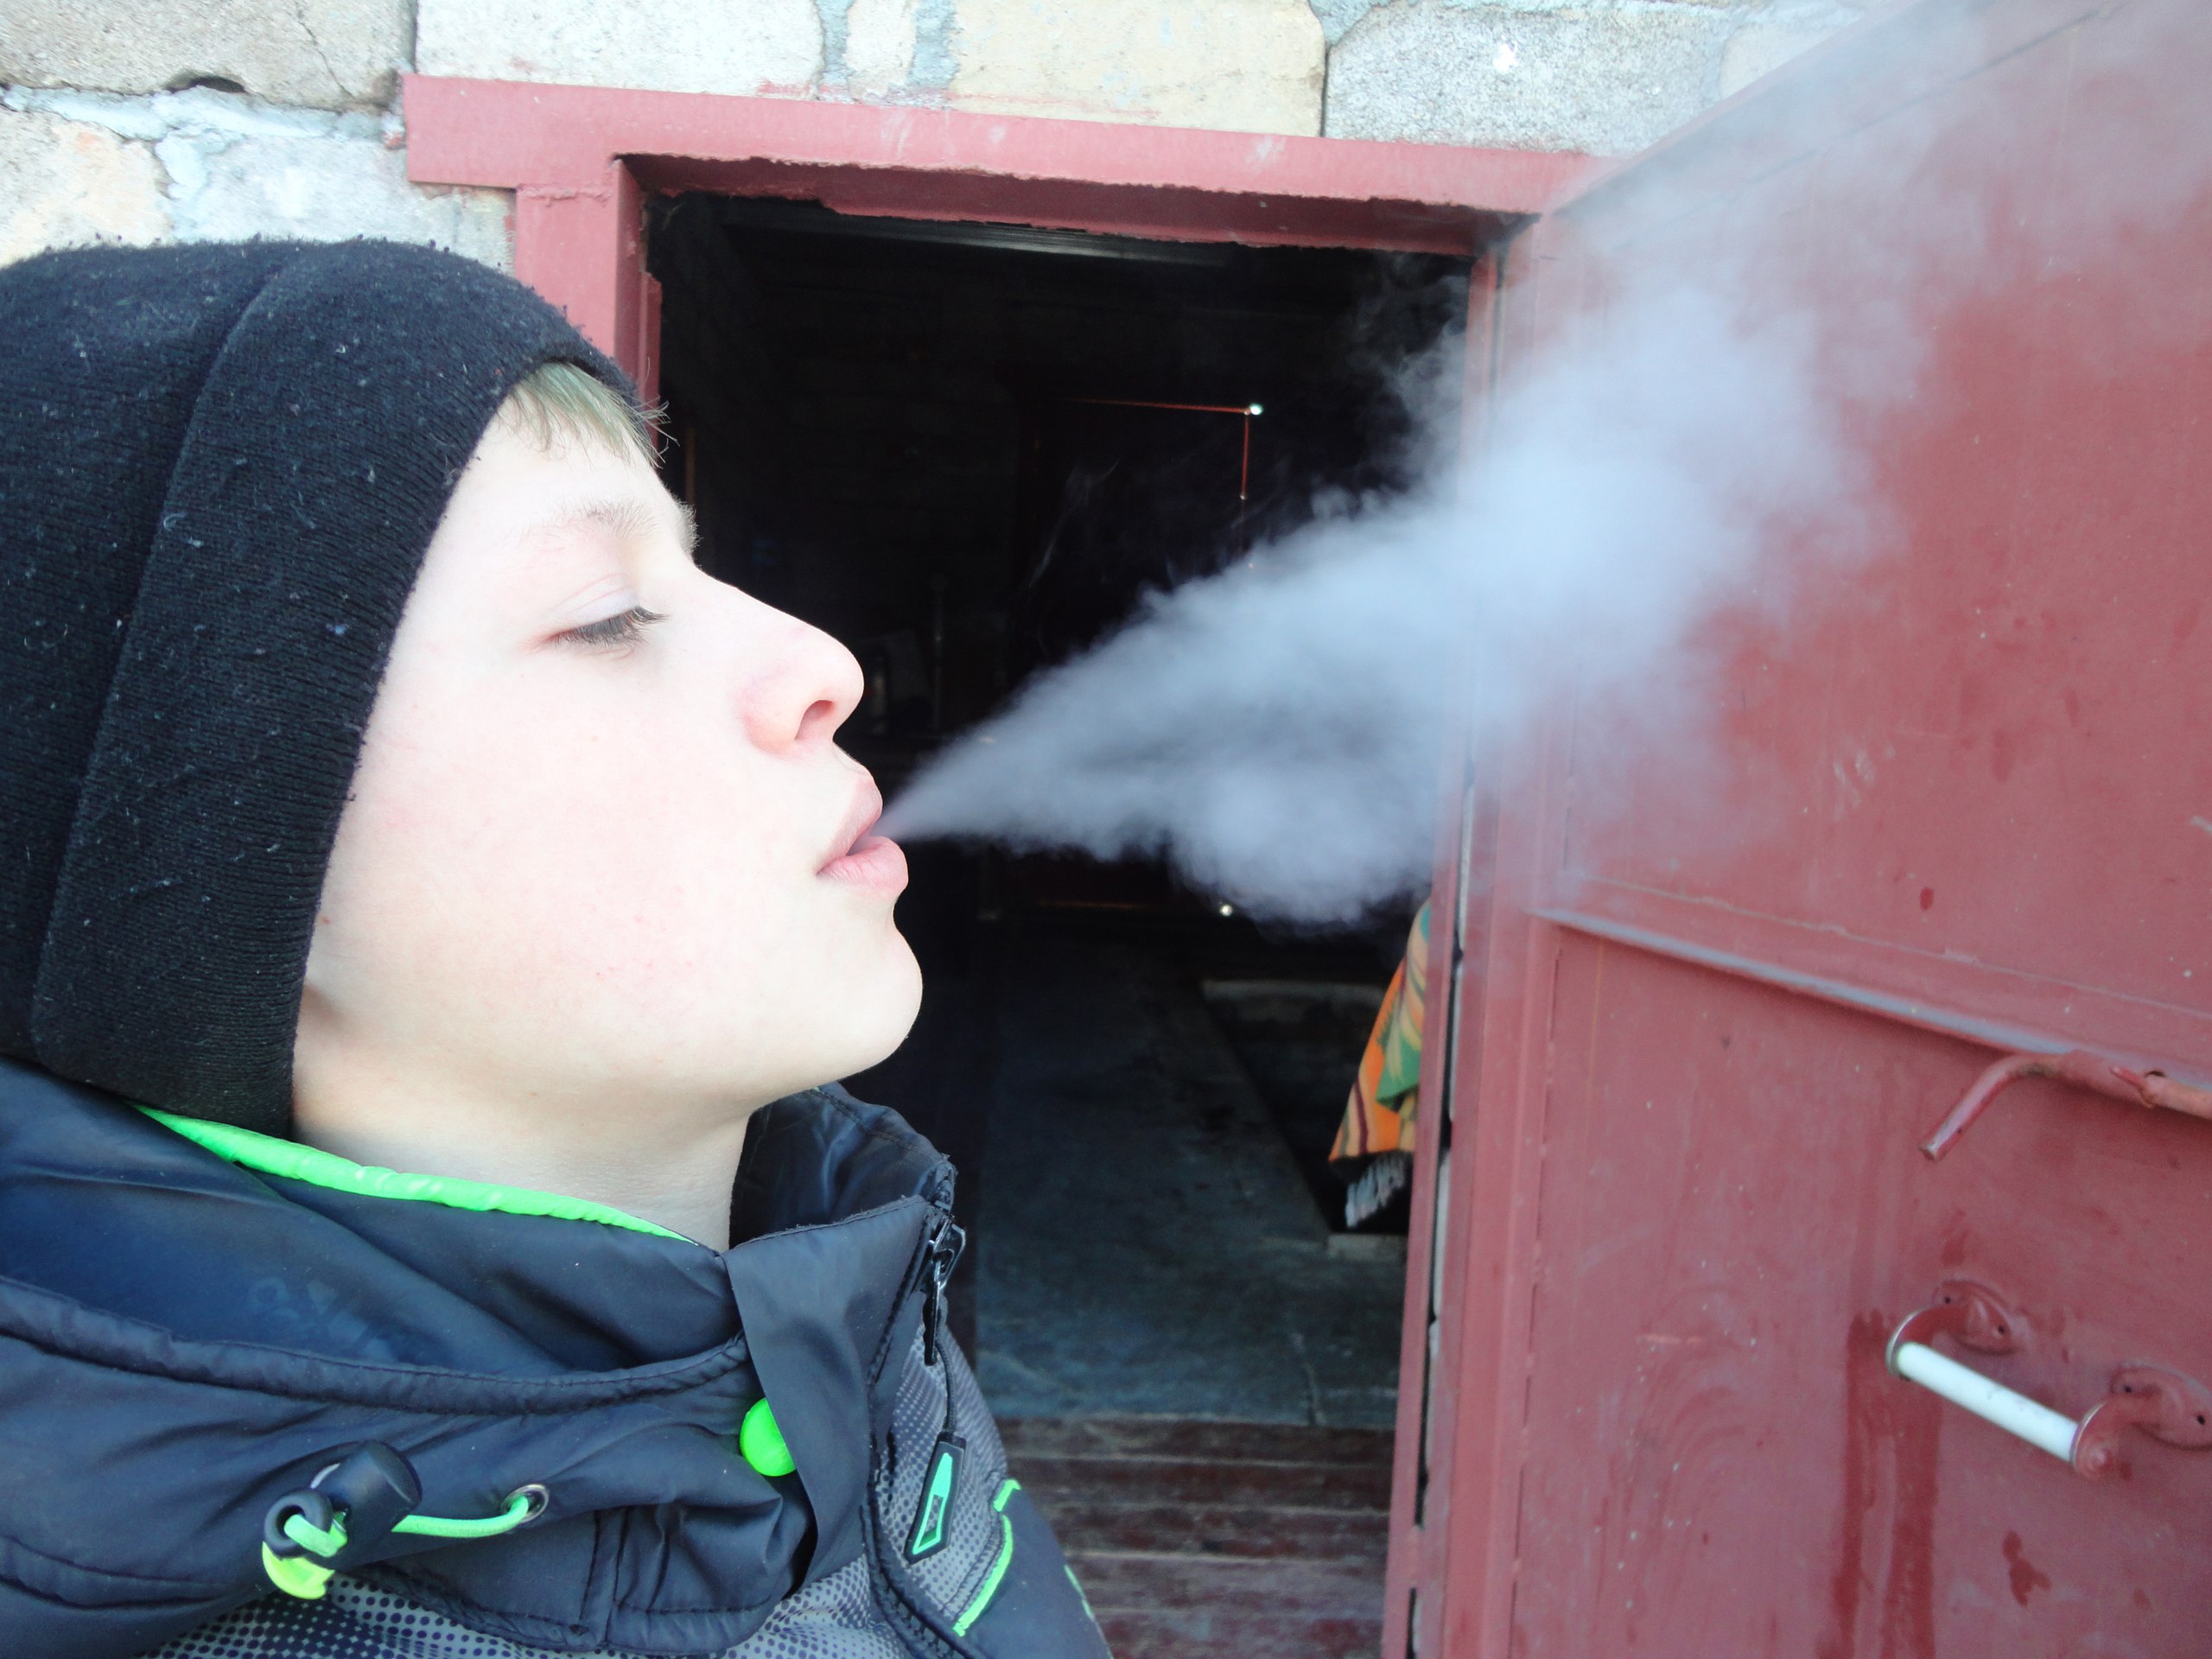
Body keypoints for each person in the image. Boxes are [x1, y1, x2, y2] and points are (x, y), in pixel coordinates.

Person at [0, 239, 1109, 1659]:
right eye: (606, 617)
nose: (826, 661)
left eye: (693, 568)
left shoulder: (851, 1316)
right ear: (207, 866)